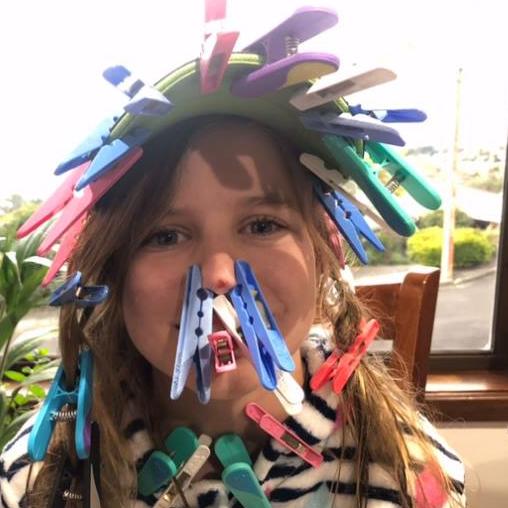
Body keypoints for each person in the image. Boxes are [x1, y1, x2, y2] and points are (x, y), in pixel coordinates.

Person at [0, 4, 465, 508]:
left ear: (322, 252)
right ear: (113, 266)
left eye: (262, 225)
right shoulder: (36, 481)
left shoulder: (404, 472)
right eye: (165, 235)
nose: (220, 277)